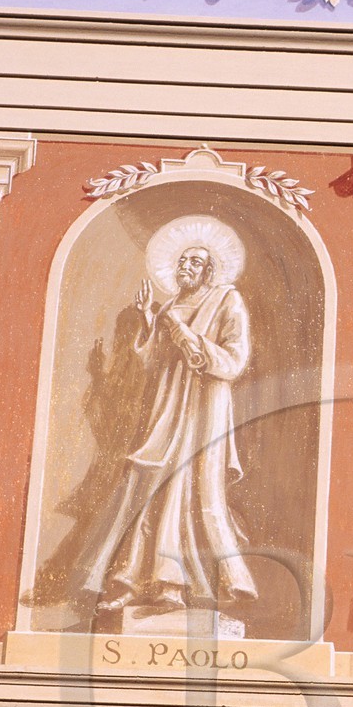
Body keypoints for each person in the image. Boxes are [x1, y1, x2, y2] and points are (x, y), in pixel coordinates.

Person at [84, 215, 257, 617]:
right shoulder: (169, 308)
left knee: (189, 489)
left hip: (203, 408)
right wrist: (149, 321)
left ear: (209, 269)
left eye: (195, 262)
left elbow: (232, 361)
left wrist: (179, 328)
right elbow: (151, 365)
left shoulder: (226, 299)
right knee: (149, 485)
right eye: (182, 261)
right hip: (166, 409)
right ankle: (134, 579)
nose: (186, 267)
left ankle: (174, 583)